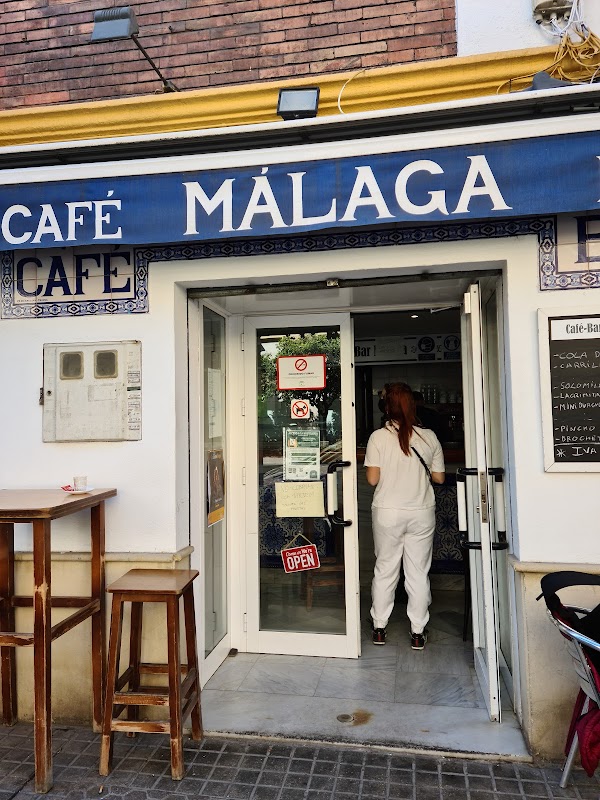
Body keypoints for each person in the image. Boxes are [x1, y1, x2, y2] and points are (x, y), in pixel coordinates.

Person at [364, 382, 445, 649]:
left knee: (385, 569)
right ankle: (418, 632)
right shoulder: (429, 437)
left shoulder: (377, 437)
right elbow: (439, 477)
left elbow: (373, 480)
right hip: (421, 512)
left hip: (388, 512)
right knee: (418, 573)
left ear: (387, 408)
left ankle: (379, 628)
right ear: (413, 406)